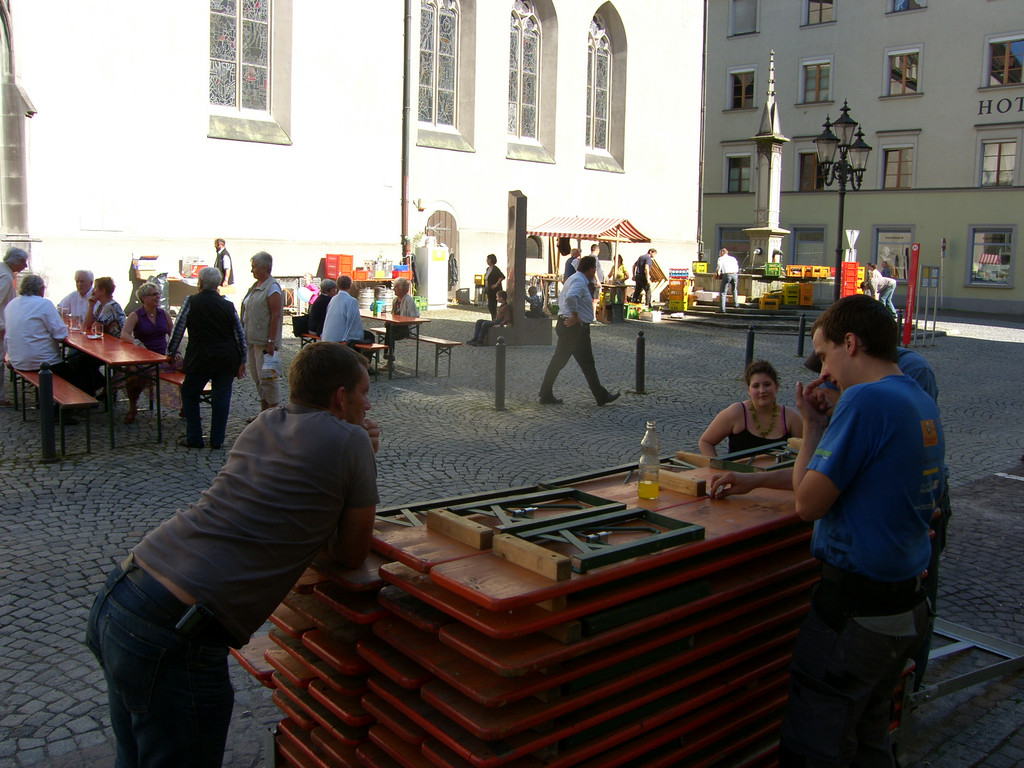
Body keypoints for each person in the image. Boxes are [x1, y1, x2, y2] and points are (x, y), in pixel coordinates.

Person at [85, 342, 379, 768]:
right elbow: (352, 553)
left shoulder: (264, 422)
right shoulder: (352, 440)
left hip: (123, 594)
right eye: (364, 393)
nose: (368, 404)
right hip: (176, 636)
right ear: (340, 397)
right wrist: (362, 453)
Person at [779, 295, 944, 766]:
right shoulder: (919, 398)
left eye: (825, 355)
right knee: (871, 738)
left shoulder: (866, 399)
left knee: (819, 744)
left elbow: (807, 503)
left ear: (850, 343)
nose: (825, 373)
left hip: (856, 613)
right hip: (905, 604)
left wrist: (813, 427)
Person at [166, 267, 247, 450]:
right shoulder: (228, 305)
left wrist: (171, 351)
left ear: (200, 282)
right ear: (218, 284)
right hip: (226, 357)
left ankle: (195, 437)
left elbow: (178, 329)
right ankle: (217, 439)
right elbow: (239, 334)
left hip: (200, 356)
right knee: (221, 397)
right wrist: (243, 358)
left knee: (189, 393)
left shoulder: (191, 301)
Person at [539, 255, 619, 406]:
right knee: (568, 362)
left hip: (571, 327)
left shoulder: (575, 278)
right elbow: (571, 298)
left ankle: (600, 395)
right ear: (591, 269)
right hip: (574, 329)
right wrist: (575, 316)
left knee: (579, 362)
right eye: (594, 269)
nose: (595, 272)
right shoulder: (579, 281)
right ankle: (546, 393)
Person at [698, 360, 803, 457]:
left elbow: (804, 450)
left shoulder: (791, 417)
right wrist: (717, 467)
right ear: (749, 390)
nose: (762, 390)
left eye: (767, 385)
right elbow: (706, 442)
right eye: (756, 386)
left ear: (776, 387)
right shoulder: (736, 412)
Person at [3, 274, 81, 387]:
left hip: (17, 360)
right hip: (44, 364)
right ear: (41, 289)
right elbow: (61, 334)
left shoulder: (11, 304)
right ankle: (95, 393)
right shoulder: (44, 303)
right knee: (81, 376)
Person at [120, 282, 176, 424]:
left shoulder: (164, 314)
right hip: (143, 357)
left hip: (162, 356)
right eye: (154, 294)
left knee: (186, 369)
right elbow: (124, 334)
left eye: (158, 293)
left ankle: (185, 406)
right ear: (144, 298)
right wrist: (137, 344)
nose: (158, 297)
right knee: (133, 374)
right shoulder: (135, 315)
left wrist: (175, 351)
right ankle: (133, 407)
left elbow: (174, 334)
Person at [240, 251, 283, 414]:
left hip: (265, 343)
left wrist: (271, 342)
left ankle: (274, 414)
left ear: (264, 268)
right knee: (258, 379)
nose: (252, 270)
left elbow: (276, 315)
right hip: (252, 340)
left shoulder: (272, 288)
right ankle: (263, 413)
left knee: (268, 380)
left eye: (254, 267)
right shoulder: (255, 286)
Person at [0, 246, 30, 407]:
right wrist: (1, 327)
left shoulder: (3, 271)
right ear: (14, 261)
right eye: (23, 262)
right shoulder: (5, 276)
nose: (25, 266)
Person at [321, 276, 374, 350]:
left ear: (338, 285)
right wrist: (346, 339)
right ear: (350, 285)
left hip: (327, 337)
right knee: (370, 336)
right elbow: (353, 322)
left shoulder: (333, 299)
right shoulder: (351, 301)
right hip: (340, 339)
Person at [384, 276, 420, 366]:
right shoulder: (395, 300)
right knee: (389, 329)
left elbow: (415, 316)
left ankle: (388, 356)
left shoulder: (408, 300)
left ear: (402, 289)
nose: (394, 289)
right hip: (395, 327)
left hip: (406, 328)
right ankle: (389, 356)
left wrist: (402, 321)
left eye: (396, 287)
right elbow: (393, 314)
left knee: (389, 332)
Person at [716, 248, 739, 313]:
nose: (719, 255)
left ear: (722, 253)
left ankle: (722, 309)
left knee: (723, 292)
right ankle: (736, 304)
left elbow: (719, 266)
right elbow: (737, 266)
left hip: (727, 274)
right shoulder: (733, 258)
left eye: (720, 253)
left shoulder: (721, 258)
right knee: (734, 289)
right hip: (735, 274)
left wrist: (718, 274)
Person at [483, 253, 504, 320]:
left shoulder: (495, 269)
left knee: (492, 305)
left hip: (494, 290)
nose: (487, 260)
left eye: (488, 259)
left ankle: (495, 318)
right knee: (490, 305)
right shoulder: (488, 269)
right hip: (489, 289)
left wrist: (496, 284)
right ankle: (494, 318)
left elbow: (502, 277)